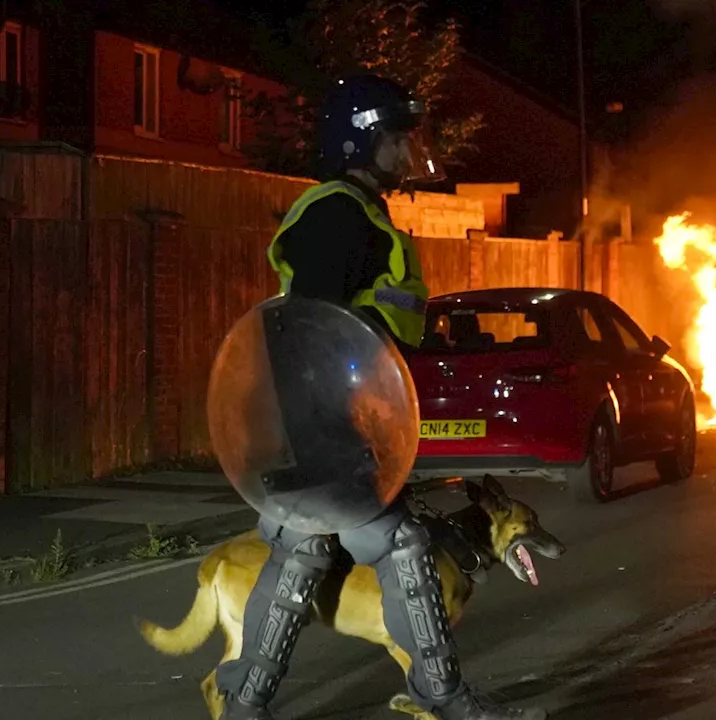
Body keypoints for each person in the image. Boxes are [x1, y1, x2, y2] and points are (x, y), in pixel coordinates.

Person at [213, 74, 547, 720]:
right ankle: (442, 698)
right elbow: (311, 332)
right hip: (323, 429)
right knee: (393, 546)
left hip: (334, 427)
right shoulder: (336, 214)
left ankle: (244, 705)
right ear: (360, 141)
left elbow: (370, 332)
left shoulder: (359, 212)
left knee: (301, 550)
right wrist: (330, 432)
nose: (405, 150)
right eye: (395, 137)